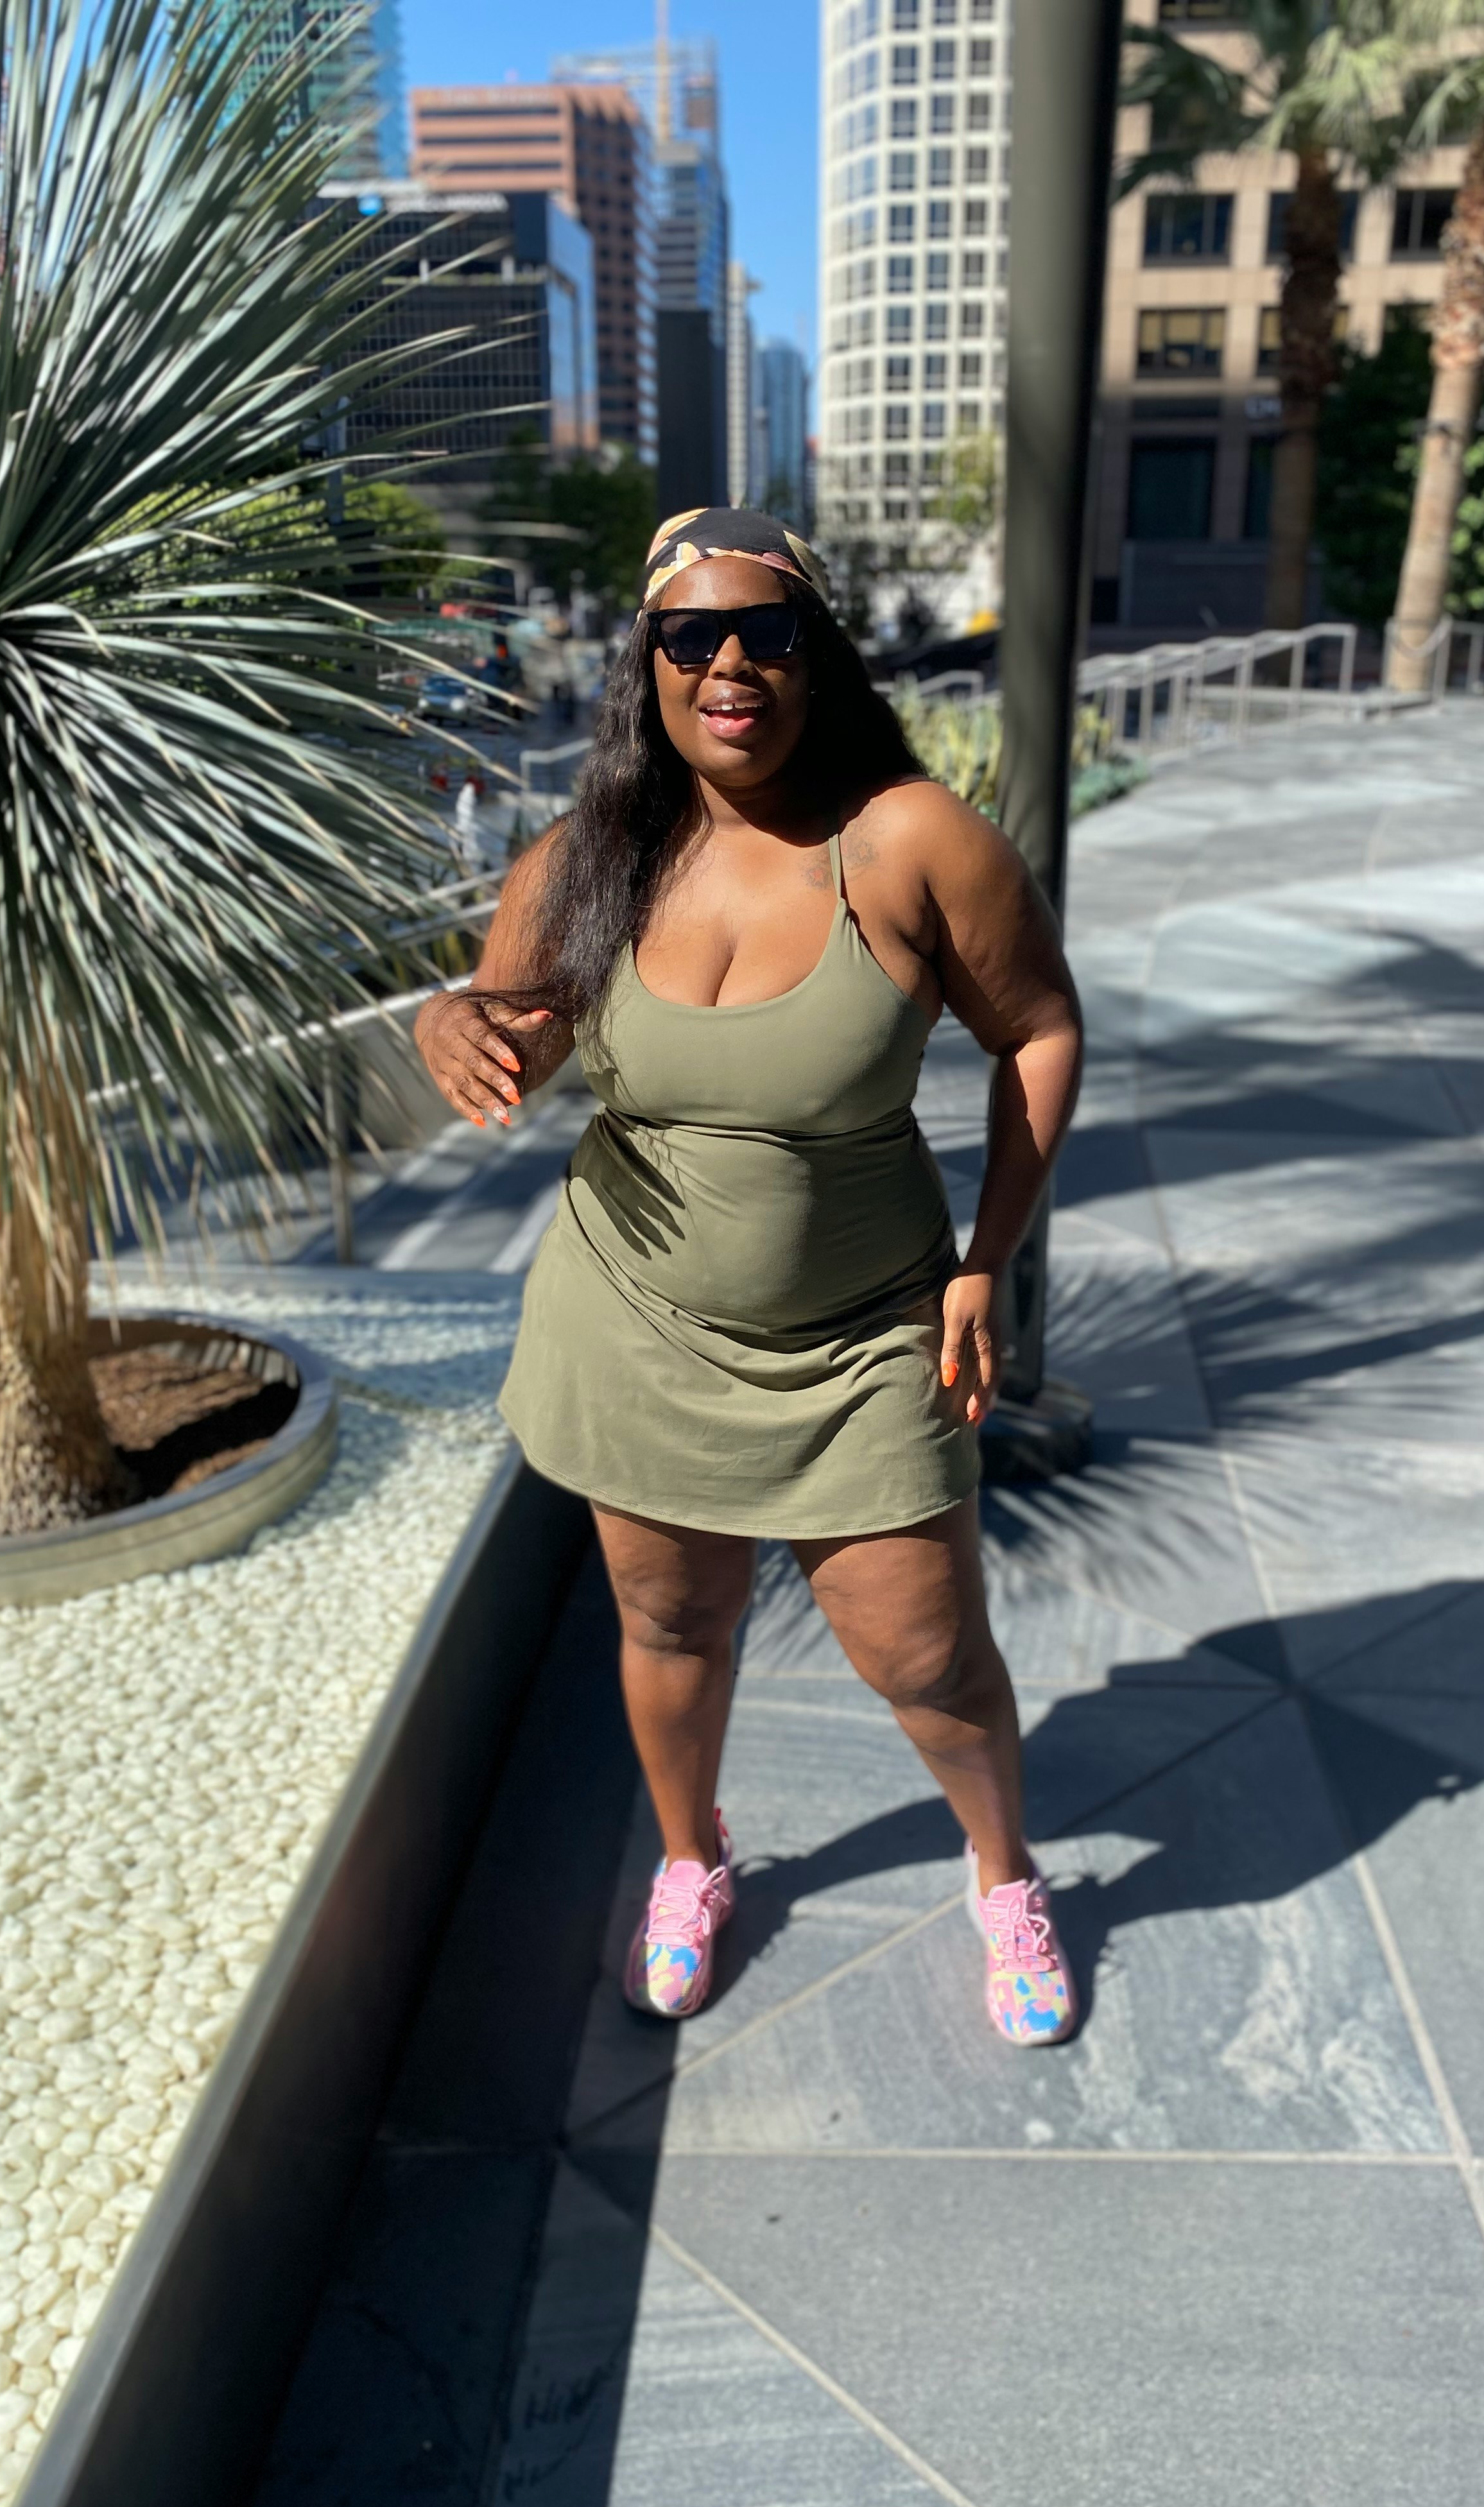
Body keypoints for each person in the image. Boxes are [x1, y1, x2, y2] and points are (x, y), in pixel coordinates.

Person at [415, 508, 1085, 2047]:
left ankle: (1002, 1877)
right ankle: (693, 1859)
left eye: (766, 633)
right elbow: (500, 1020)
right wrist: (442, 1024)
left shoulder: (910, 841)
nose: (730, 663)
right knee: (670, 1629)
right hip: (635, 1324)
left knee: (926, 1656)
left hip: (865, 1342)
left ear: (816, 656)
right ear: (645, 665)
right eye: (691, 636)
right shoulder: (592, 860)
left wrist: (991, 1259)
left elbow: (1039, 1028)